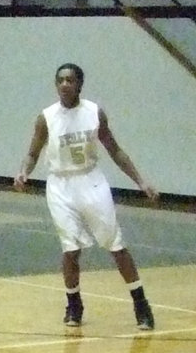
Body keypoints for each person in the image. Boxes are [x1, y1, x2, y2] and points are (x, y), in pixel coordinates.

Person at [13, 63, 158, 330]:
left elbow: (115, 150)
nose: (64, 84)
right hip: (60, 185)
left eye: (70, 80)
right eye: (60, 80)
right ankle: (74, 304)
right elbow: (32, 153)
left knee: (115, 245)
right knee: (71, 249)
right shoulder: (46, 117)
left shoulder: (94, 113)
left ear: (80, 84)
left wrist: (141, 181)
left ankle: (141, 304)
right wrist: (23, 171)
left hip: (90, 181)